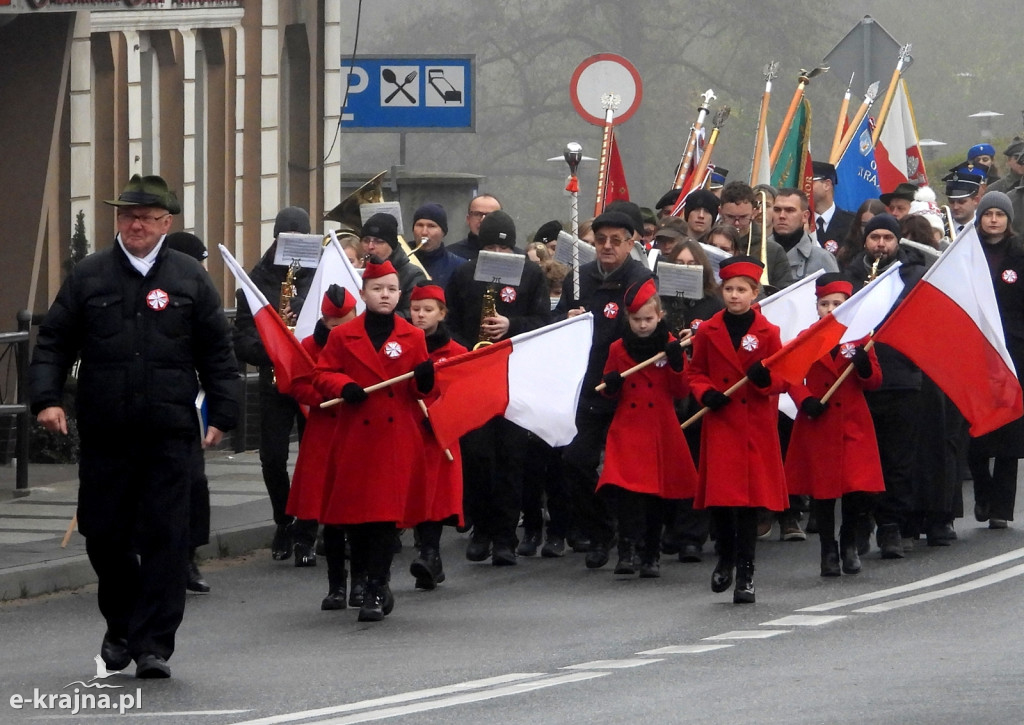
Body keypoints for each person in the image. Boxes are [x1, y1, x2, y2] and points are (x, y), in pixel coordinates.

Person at [29, 174, 239, 678]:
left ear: (166, 222)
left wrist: (225, 415)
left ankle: (152, 646)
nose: (135, 224)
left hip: (170, 433)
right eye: (126, 216)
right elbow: (55, 340)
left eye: (145, 217)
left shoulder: (189, 276)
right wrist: (47, 399)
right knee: (105, 537)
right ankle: (120, 626)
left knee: (167, 539)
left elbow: (217, 351)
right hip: (108, 431)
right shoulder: (90, 274)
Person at [313, 258, 435, 622]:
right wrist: (343, 385)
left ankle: (377, 587)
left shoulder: (412, 336)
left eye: (392, 289)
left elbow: (422, 390)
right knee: (356, 519)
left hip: (394, 439)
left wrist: (427, 379)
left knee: (384, 518)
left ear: (400, 294)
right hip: (354, 438)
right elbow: (322, 374)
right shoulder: (342, 335)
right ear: (364, 293)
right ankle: (363, 579)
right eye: (378, 289)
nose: (385, 295)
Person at [445, 210, 550, 564]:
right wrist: (467, 350)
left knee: (510, 457)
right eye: (490, 247)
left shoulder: (531, 274)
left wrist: (511, 325)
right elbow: (451, 325)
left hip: (513, 376)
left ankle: (505, 537)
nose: (498, 255)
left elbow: (541, 323)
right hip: (475, 376)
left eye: (504, 249)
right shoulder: (462, 275)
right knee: (477, 457)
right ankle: (482, 529)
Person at [686, 256, 787, 603]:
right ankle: (725, 558)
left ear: (754, 293)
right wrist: (705, 393)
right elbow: (695, 372)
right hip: (722, 424)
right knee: (721, 503)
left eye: (741, 290)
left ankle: (746, 572)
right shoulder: (709, 330)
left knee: (747, 507)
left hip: (753, 428)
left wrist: (765, 380)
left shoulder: (768, 332)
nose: (734, 295)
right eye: (728, 289)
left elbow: (783, 378)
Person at [556, 210, 654, 568]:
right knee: (575, 460)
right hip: (586, 387)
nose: (607, 247)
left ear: (631, 242)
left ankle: (631, 541)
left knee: (624, 468)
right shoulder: (579, 279)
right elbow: (558, 324)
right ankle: (600, 529)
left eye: (616, 240)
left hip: (624, 388)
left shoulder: (639, 279)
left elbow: (644, 328)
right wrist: (566, 321)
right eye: (601, 240)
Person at [233, 206, 318, 565]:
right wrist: (271, 349)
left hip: (312, 381)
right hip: (274, 380)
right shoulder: (256, 280)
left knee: (313, 459)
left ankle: (308, 530)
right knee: (272, 457)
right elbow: (242, 336)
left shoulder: (321, 273)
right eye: (288, 241)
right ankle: (284, 520)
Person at [784, 274, 884, 576]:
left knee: (856, 489)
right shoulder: (807, 337)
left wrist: (865, 367)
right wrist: (804, 399)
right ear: (817, 307)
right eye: (824, 304)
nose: (830, 309)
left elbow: (875, 381)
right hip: (819, 422)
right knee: (823, 493)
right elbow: (791, 376)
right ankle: (828, 548)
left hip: (853, 424)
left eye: (837, 304)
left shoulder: (860, 338)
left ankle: (849, 542)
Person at [597, 279, 698, 577]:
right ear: (628, 319)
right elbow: (607, 389)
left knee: (656, 496)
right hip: (629, 429)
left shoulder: (669, 346)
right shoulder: (618, 347)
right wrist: (613, 384)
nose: (643, 325)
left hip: (659, 428)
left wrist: (678, 362)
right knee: (628, 495)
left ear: (660, 315)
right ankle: (626, 549)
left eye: (649, 319)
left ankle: (650, 552)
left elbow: (680, 391)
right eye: (637, 320)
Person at [847, 214, 927, 558]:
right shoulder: (850, 275)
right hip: (858, 381)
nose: (881, 244)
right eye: (875, 237)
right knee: (862, 459)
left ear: (898, 242)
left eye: (887, 238)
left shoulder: (913, 276)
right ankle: (861, 522)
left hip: (900, 379)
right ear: (866, 240)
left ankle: (892, 525)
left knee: (898, 458)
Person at [284, 285, 359, 610]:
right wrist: (325, 398)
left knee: (359, 512)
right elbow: (297, 384)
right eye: (334, 324)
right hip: (326, 429)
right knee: (324, 502)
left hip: (359, 430)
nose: (340, 330)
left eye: (346, 322)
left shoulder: (367, 341)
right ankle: (335, 584)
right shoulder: (310, 346)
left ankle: (362, 583)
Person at [968, 192, 1024, 530]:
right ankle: (982, 491)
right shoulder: (968, 254)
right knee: (976, 428)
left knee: (1010, 430)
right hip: (976, 349)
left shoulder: (1020, 255)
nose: (993, 220)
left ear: (1008, 219)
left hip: (1014, 351)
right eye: (987, 213)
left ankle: (1001, 507)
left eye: (999, 215)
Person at [406, 283, 466, 587]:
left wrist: (441, 418)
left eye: (427, 310)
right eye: (415, 309)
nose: (420, 316)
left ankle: (430, 553)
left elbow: (463, 395)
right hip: (404, 431)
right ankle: (426, 553)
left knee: (433, 496)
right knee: (409, 493)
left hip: (437, 435)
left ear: (441, 313)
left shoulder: (456, 353)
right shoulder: (401, 346)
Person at [163, 231, 213, 594]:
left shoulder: (200, 295)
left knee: (194, 483)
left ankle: (187, 557)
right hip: (146, 406)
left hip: (187, 406)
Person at [719, 181, 792, 289]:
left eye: (743, 217)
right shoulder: (707, 243)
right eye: (730, 217)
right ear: (720, 212)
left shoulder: (774, 251)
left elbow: (784, 293)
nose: (737, 223)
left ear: (754, 213)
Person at [360, 212, 427, 318]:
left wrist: (375, 315)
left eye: (379, 241)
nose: (370, 246)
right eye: (366, 240)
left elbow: (413, 315)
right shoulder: (355, 267)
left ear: (392, 246)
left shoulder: (413, 275)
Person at [769, 187, 839, 280]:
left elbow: (836, 293)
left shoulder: (822, 259)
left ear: (805, 216)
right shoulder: (755, 252)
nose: (782, 216)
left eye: (790, 210)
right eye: (777, 210)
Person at [410, 202, 465, 288]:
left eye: (431, 226)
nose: (424, 232)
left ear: (443, 232)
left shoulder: (458, 266)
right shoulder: (402, 260)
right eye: (420, 225)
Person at [810, 161, 855, 253]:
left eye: (810, 181)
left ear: (827, 185)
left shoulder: (851, 222)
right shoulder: (801, 221)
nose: (805, 186)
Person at [447, 193, 502, 261]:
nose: (483, 220)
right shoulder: (450, 256)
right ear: (468, 219)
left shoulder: (514, 256)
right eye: (477, 214)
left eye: (490, 215)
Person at [836, 199, 887, 271]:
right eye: (864, 225)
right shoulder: (845, 253)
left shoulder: (890, 252)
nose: (868, 229)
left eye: (873, 224)